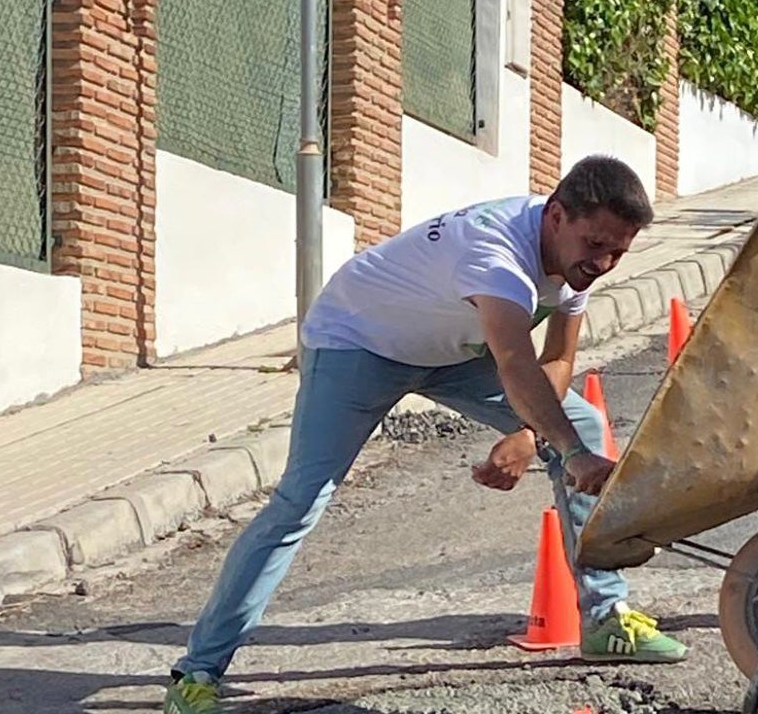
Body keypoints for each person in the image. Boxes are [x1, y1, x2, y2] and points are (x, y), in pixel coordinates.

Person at [163, 156, 688, 714]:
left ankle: (605, 618)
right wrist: (563, 447)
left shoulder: (574, 258)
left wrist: (535, 437)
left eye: (618, 252)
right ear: (557, 216)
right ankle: (197, 673)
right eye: (595, 244)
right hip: (357, 343)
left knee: (579, 422)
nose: (602, 262)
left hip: (453, 352)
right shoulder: (496, 255)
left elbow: (557, 360)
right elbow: (515, 362)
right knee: (300, 501)